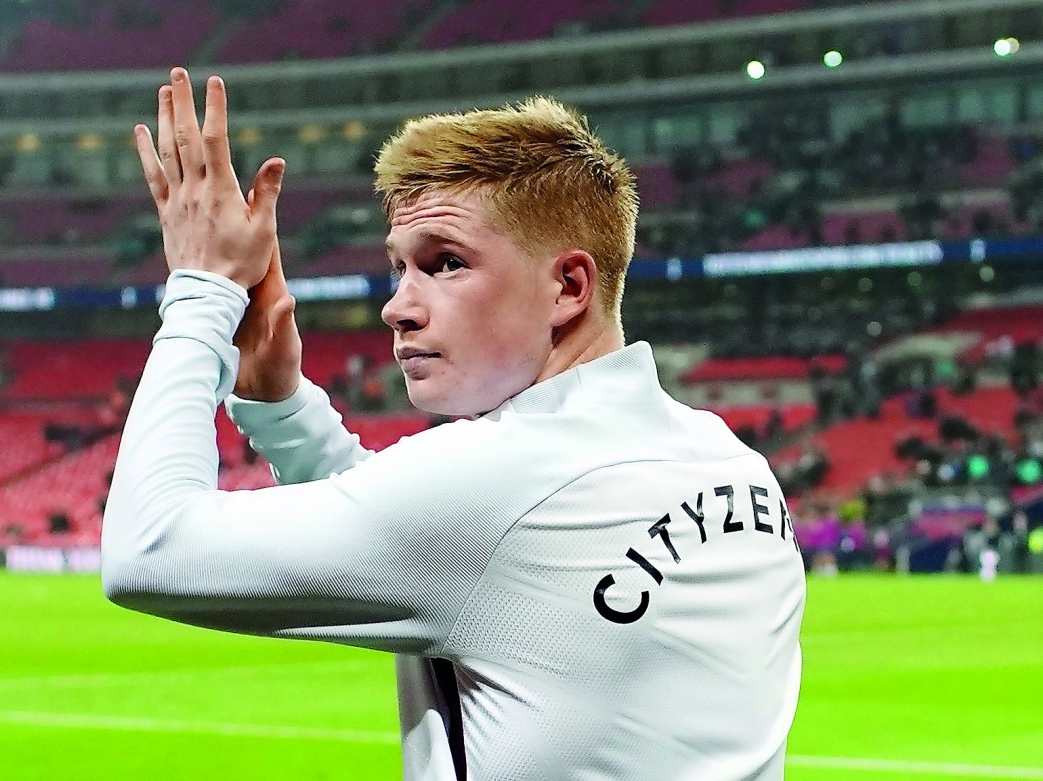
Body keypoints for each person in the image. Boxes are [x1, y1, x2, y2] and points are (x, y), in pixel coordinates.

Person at [102, 67, 806, 780]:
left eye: (446, 264)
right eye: (399, 268)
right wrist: (281, 407)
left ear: (568, 286)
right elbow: (439, 539)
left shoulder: (503, 480)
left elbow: (150, 549)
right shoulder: (730, 463)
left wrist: (201, 292)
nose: (398, 307)